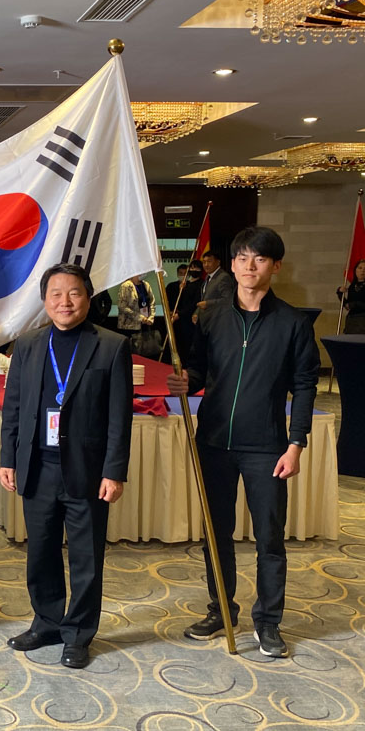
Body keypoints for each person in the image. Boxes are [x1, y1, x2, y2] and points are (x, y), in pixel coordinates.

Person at [167, 226, 319, 659]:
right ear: (232, 264)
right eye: (242, 258)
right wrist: (187, 380)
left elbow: (305, 385)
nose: (250, 266)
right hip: (213, 441)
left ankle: (268, 622)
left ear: (276, 266)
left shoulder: (293, 322)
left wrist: (296, 443)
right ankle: (222, 610)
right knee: (216, 534)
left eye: (260, 258)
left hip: (267, 446)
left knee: (269, 537)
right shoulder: (211, 316)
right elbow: (200, 369)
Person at [0, 263, 132, 669]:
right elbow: (14, 407)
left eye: (74, 293)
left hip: (87, 471)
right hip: (38, 466)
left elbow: (119, 416)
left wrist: (114, 471)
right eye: (55, 294)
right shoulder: (28, 344)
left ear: (88, 297)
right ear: (44, 300)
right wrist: (8, 458)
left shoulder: (111, 346)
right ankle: (47, 623)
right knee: (40, 552)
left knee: (85, 557)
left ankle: (78, 634)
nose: (65, 302)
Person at [117, 275, 156, 356]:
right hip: (129, 327)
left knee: (145, 353)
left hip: (145, 324)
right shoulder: (126, 286)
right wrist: (140, 318)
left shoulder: (146, 285)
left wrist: (151, 317)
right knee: (131, 354)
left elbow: (152, 302)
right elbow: (122, 307)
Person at [193, 250, 233, 325]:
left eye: (209, 261)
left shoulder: (223, 277)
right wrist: (196, 313)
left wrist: (208, 303)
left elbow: (228, 299)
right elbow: (204, 298)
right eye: (204, 262)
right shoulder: (208, 276)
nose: (206, 265)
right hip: (206, 321)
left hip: (218, 321)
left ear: (218, 262)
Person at [336, 258, 365, 334]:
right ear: (355, 270)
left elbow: (354, 304)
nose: (362, 271)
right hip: (351, 321)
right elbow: (347, 306)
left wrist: (356, 304)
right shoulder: (352, 287)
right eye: (360, 268)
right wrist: (340, 293)